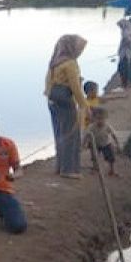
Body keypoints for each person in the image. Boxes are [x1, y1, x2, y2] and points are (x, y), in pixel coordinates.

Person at [44, 34, 90, 179]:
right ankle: (68, 170)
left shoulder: (55, 62)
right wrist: (85, 106)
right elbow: (76, 88)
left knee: (59, 134)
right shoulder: (70, 63)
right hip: (65, 104)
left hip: (53, 103)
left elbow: (49, 85)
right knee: (71, 135)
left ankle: (60, 166)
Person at [83, 106, 121, 176]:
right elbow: (86, 136)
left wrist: (117, 144)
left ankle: (112, 170)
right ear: (94, 119)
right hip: (95, 144)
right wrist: (84, 144)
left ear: (105, 119)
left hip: (106, 143)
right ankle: (95, 168)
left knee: (111, 157)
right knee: (94, 157)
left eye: (102, 119)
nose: (100, 121)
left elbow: (114, 135)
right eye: (98, 119)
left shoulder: (107, 126)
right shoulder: (91, 127)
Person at [116, 18, 131, 89]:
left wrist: (123, 46)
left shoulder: (126, 31)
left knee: (123, 68)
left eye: (120, 26)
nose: (120, 27)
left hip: (127, 53)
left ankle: (125, 84)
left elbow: (128, 41)